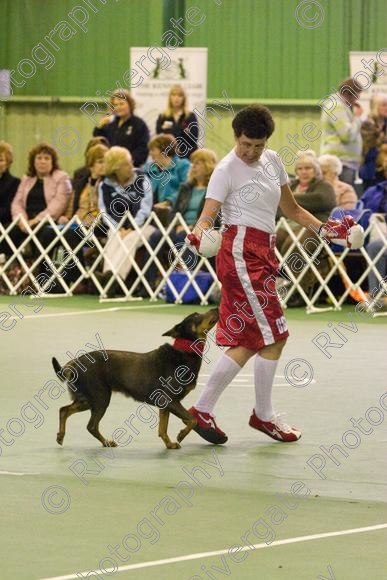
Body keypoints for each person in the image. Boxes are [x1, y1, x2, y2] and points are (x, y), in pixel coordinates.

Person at [185, 104, 355, 445]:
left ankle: (203, 409)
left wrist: (325, 229)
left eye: (257, 146)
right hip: (239, 252)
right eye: (245, 144)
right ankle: (263, 416)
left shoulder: (273, 160)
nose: (250, 151)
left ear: (266, 142)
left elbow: (290, 209)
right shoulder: (224, 169)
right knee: (275, 333)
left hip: (263, 250)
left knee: (252, 338)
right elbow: (206, 217)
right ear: (236, 136)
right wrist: (198, 234)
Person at [137, 148, 218, 296]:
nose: (193, 167)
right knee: (155, 236)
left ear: (208, 166)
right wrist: (178, 224)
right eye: (193, 163)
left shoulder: (214, 190)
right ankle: (146, 286)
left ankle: (188, 288)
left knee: (186, 239)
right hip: (179, 226)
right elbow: (173, 212)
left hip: (199, 230)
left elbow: (214, 216)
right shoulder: (185, 187)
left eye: (197, 163)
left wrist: (193, 227)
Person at [276, 151, 336, 306]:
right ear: (296, 171)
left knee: (294, 244)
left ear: (315, 170)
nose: (304, 171)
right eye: (300, 168)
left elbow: (321, 201)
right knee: (271, 241)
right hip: (287, 225)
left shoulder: (324, 186)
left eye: (308, 168)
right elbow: (278, 208)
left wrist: (288, 200)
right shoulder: (291, 186)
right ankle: (272, 289)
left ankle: (299, 292)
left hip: (315, 227)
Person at [96, 146, 153, 296]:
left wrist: (132, 227)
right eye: (126, 164)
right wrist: (118, 228)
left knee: (131, 238)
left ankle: (115, 279)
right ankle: (108, 277)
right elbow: (105, 211)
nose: (131, 166)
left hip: (144, 226)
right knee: (112, 236)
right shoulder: (105, 185)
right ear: (116, 168)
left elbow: (145, 207)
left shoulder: (142, 179)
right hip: (118, 227)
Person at [11, 142, 71, 236]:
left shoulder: (62, 178)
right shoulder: (26, 179)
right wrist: (22, 220)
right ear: (33, 161)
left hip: (49, 221)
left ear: (52, 162)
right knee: (10, 231)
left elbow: (58, 204)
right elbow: (17, 203)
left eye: (47, 158)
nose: (42, 161)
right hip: (26, 221)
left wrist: (37, 220)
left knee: (42, 232)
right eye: (39, 158)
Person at [320, 78, 364, 185]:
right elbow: (347, 135)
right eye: (357, 95)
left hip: (344, 162)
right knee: (343, 198)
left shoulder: (340, 106)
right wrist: (358, 118)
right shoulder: (337, 107)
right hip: (341, 163)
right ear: (348, 94)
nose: (357, 99)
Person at [93, 89, 149, 168]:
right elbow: (98, 141)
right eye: (115, 105)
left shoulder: (139, 124)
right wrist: (99, 127)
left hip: (130, 167)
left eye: (121, 104)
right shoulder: (110, 123)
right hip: (110, 166)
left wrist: (128, 162)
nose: (118, 107)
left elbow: (143, 149)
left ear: (130, 105)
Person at [144, 134, 190, 220]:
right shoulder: (148, 168)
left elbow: (186, 189)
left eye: (153, 150)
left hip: (172, 210)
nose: (150, 153)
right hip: (151, 210)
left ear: (164, 150)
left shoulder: (182, 165)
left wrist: (168, 202)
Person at [156, 85, 199, 158]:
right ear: (170, 98)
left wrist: (170, 131)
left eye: (180, 95)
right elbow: (160, 138)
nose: (176, 98)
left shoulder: (190, 117)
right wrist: (182, 131)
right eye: (174, 95)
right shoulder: (163, 116)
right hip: (167, 157)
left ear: (184, 99)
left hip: (187, 156)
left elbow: (193, 139)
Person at [0, 141, 20, 257]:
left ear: (8, 163)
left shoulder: (15, 183)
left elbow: (8, 210)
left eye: (1, 160)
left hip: (6, 224)